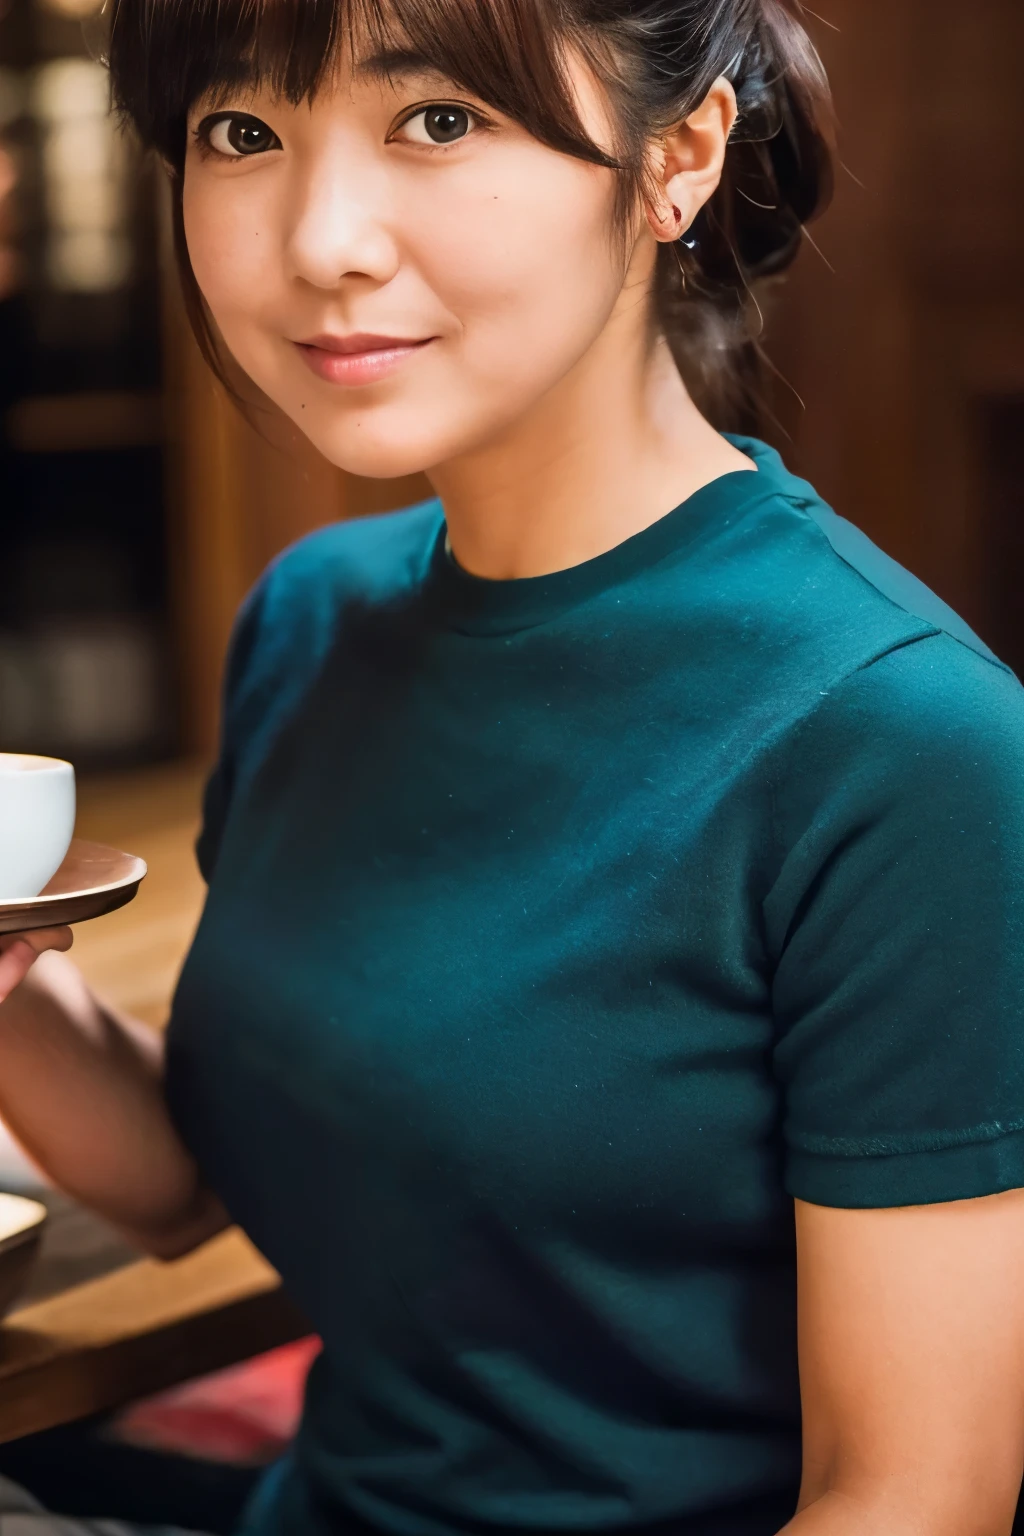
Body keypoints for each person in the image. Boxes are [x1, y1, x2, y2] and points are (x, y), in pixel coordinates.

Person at [1, 0, 1023, 1532]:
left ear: (678, 157)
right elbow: (180, 1186)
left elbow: (909, 1499)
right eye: (241, 131)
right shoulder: (313, 618)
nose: (320, 238)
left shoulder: (901, 744)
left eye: (437, 120)